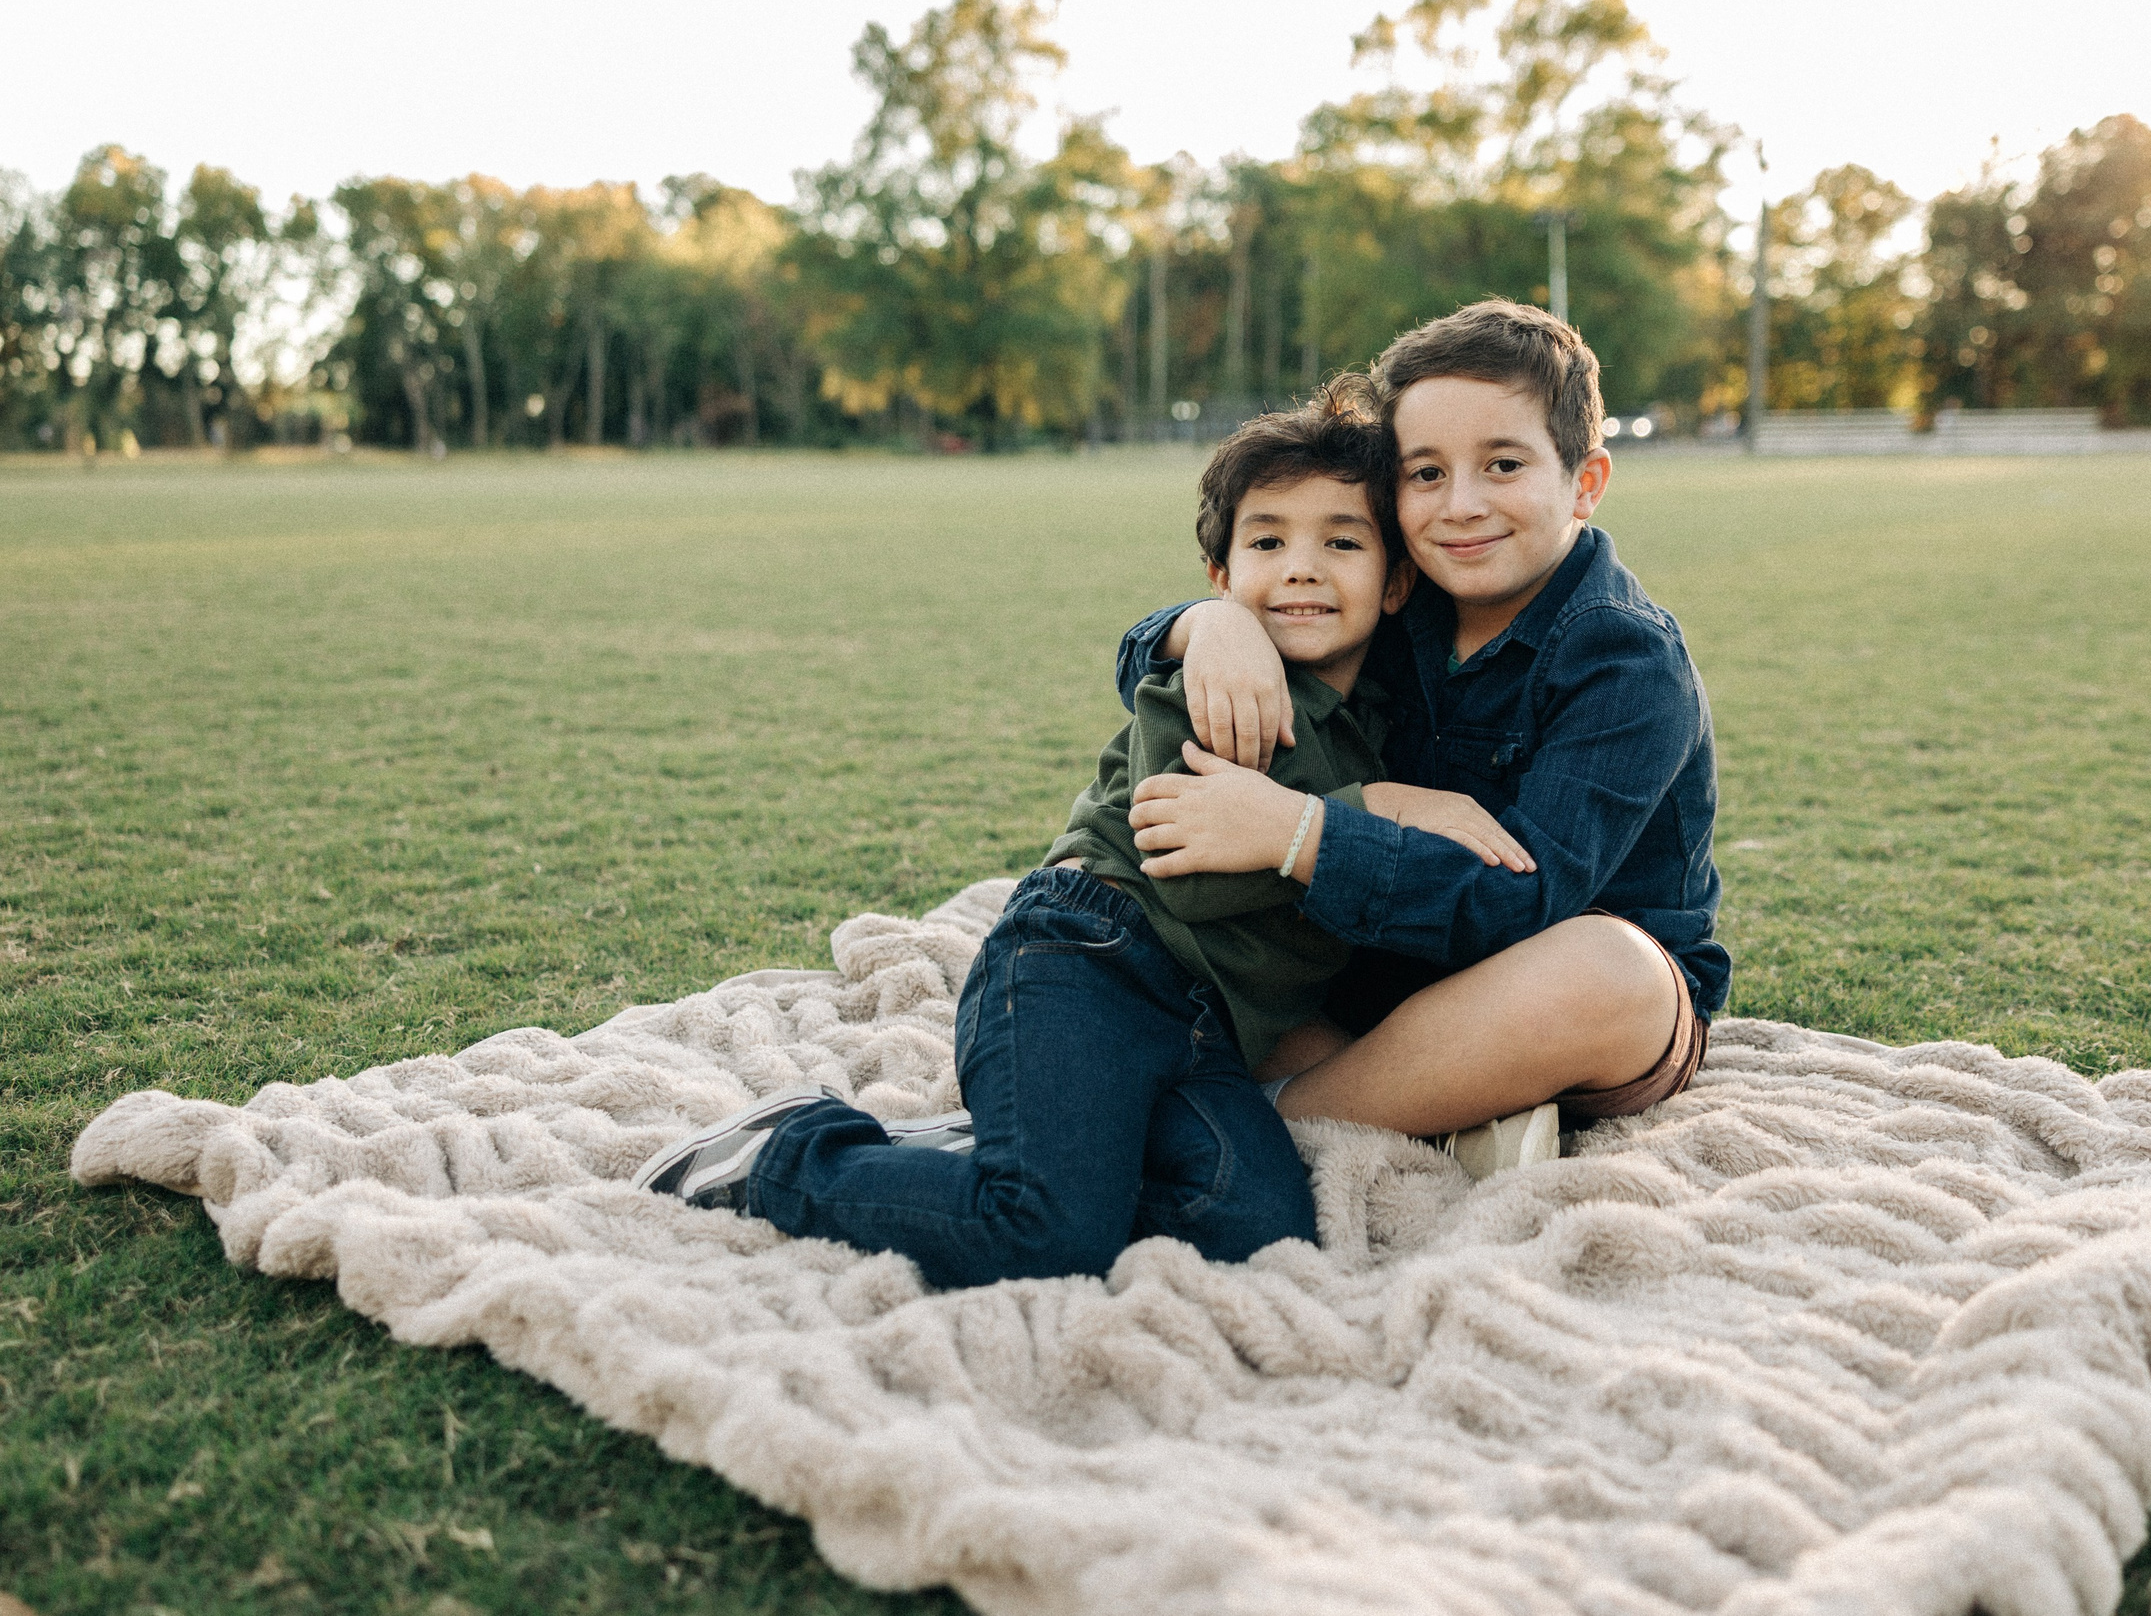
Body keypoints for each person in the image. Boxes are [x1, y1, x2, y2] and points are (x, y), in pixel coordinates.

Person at [634, 380, 1500, 1288]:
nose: (1302, 567)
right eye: (1269, 541)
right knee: (1046, 1233)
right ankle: (783, 1157)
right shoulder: (1215, 683)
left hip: (1205, 1031)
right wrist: (1385, 807)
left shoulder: (1376, 716)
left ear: (1396, 580)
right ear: (1222, 578)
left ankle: (1017, 1140)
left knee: (1257, 1228)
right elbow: (1195, 874)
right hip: (1087, 956)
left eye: (1343, 541)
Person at [1114, 299, 1729, 1150]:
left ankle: (1257, 1126)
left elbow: (1524, 901)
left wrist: (1300, 833)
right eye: (1425, 473)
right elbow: (1154, 664)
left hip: (1547, 995)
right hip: (1377, 978)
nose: (1461, 506)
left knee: (1609, 971)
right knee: (1170, 934)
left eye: (1504, 465)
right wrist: (1205, 626)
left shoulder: (1625, 660)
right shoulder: (1399, 596)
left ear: (1583, 482)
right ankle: (1426, 1110)